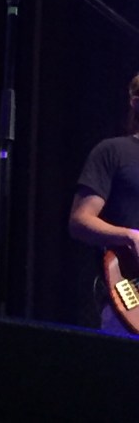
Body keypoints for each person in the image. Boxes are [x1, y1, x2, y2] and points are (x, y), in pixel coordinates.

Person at [68, 72, 139, 337]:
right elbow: (80, 221)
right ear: (136, 102)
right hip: (129, 293)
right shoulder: (113, 152)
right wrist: (129, 236)